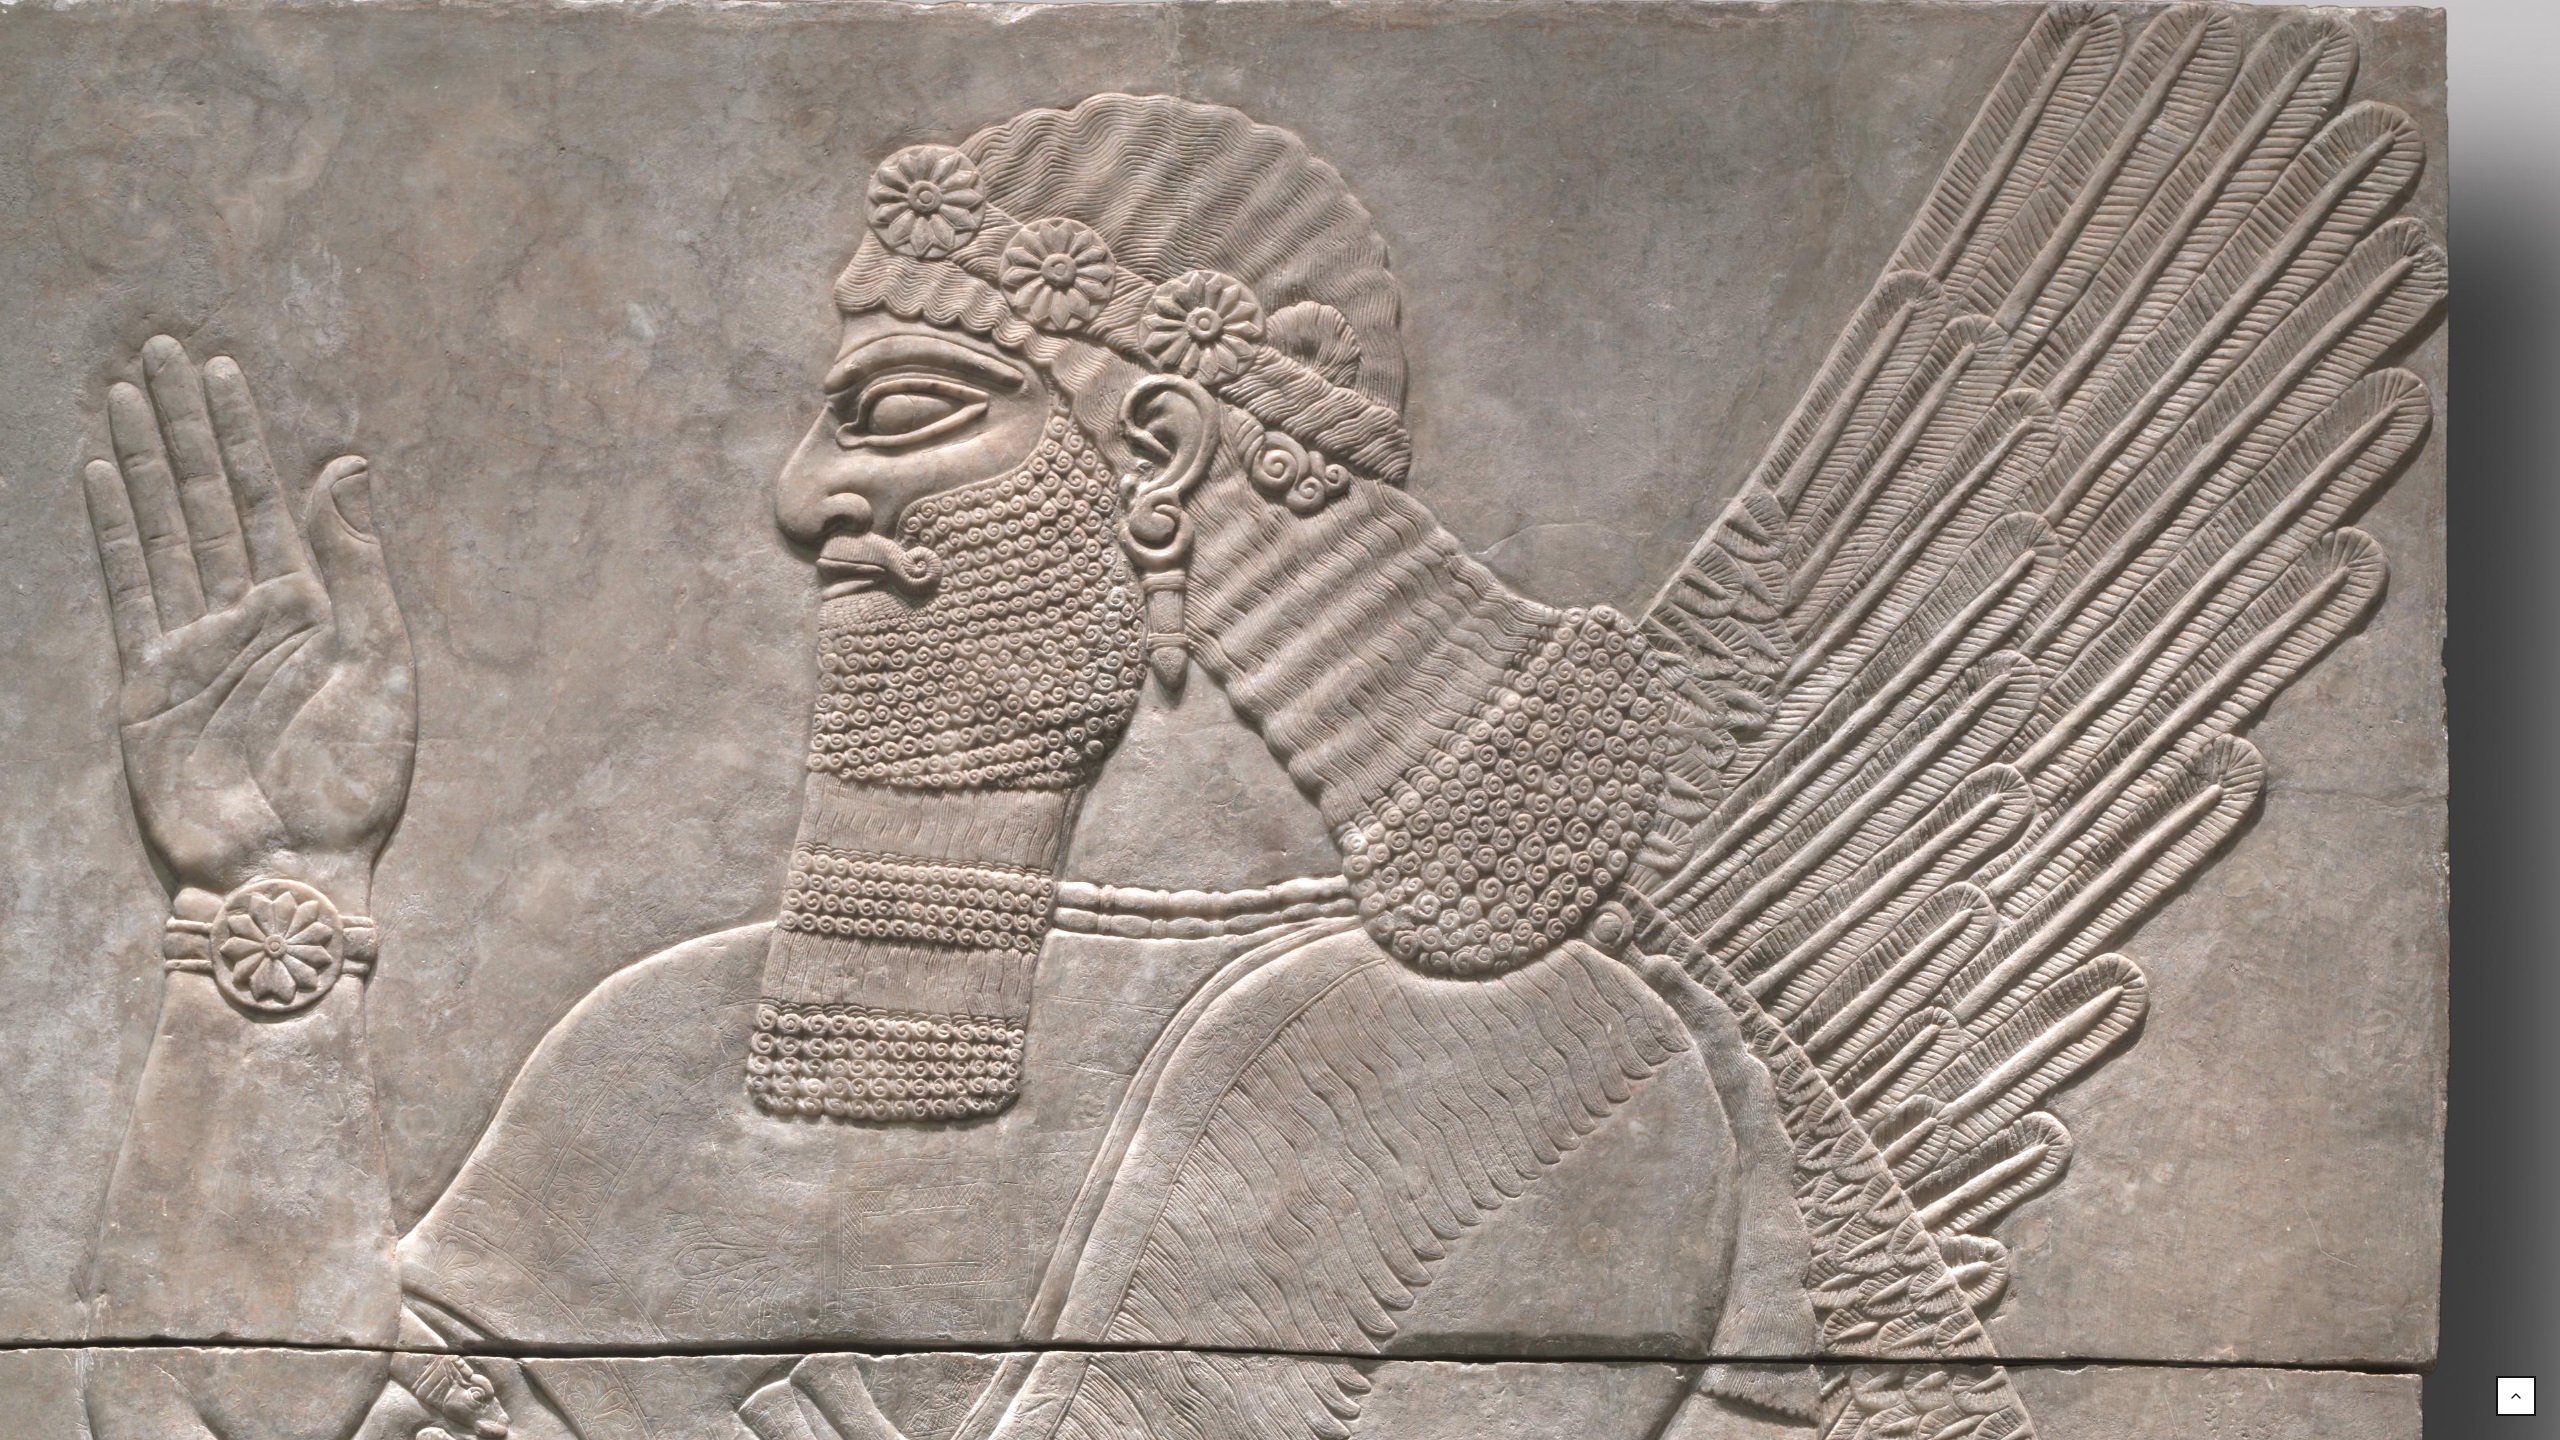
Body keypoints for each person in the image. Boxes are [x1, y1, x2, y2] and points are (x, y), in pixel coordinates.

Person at [76, 95, 1818, 1440]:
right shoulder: (661, 1049)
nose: (803, 499)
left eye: (901, 413)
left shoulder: (1539, 1074)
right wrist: (272, 907)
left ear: (1157, 454)